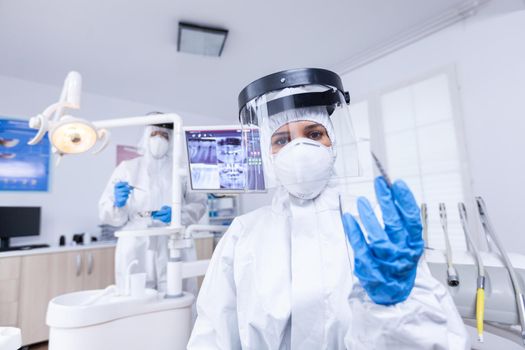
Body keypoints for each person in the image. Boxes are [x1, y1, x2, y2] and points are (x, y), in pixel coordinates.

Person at [187, 68, 469, 349]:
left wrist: (398, 308)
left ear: (332, 143)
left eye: (314, 134)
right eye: (281, 140)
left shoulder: (373, 228)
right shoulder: (243, 235)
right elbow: (212, 335)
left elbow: (439, 340)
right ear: (267, 154)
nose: (299, 149)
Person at [99, 121, 207, 295]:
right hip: (136, 241)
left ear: (171, 140)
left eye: (164, 136)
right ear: (145, 137)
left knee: (177, 296)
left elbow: (200, 203)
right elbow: (106, 212)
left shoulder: (182, 170)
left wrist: (178, 215)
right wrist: (117, 204)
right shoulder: (127, 168)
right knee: (136, 298)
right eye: (154, 135)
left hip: (172, 238)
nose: (159, 140)